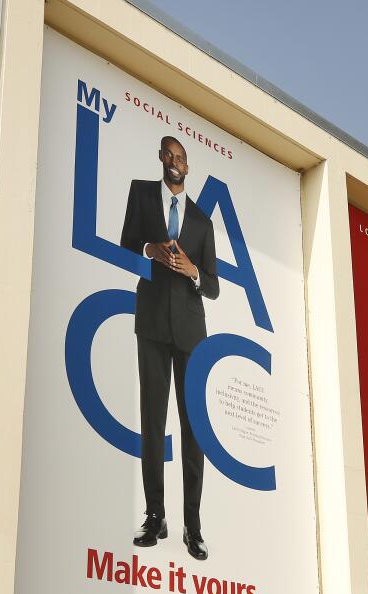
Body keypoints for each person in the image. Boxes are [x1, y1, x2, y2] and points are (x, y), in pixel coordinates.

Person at [120, 136, 219, 559]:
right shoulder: (141, 193)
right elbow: (126, 243)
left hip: (192, 333)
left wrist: (194, 270)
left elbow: (211, 286)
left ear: (187, 167)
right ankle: (155, 515)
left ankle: (192, 527)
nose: (176, 163)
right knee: (152, 424)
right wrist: (150, 249)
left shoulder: (201, 221)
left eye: (182, 159)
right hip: (152, 323)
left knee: (193, 431)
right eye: (171, 155)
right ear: (161, 157)